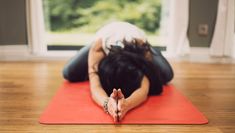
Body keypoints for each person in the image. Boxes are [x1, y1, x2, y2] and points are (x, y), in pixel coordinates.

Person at [62, 21, 174, 122]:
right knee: (68, 73)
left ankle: (149, 45)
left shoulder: (142, 52)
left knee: (167, 74)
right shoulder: (98, 48)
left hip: (137, 39)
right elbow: (95, 85)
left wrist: (127, 105)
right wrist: (107, 104)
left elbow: (145, 87)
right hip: (104, 36)